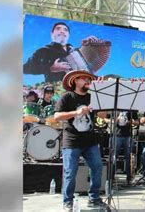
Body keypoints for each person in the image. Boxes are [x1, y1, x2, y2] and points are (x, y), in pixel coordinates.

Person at [54, 70, 106, 211]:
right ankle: (68, 202)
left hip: (90, 141)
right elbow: (57, 116)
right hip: (72, 141)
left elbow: (104, 114)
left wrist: (99, 97)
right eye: (84, 78)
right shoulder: (67, 97)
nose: (87, 81)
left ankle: (94, 198)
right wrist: (75, 113)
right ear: (75, 80)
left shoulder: (92, 97)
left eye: (89, 79)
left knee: (97, 167)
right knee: (70, 172)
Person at [23, 21, 99, 83]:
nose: (62, 31)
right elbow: (25, 68)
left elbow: (91, 64)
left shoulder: (76, 51)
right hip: (57, 93)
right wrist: (51, 68)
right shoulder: (43, 51)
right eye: (58, 29)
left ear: (68, 35)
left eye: (65, 30)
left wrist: (89, 45)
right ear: (52, 34)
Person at [112, 110, 138, 186]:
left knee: (128, 157)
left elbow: (136, 121)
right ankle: (111, 177)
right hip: (117, 134)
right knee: (114, 156)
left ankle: (128, 178)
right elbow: (110, 120)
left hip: (127, 135)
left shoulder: (131, 110)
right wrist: (117, 119)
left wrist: (130, 122)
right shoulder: (116, 108)